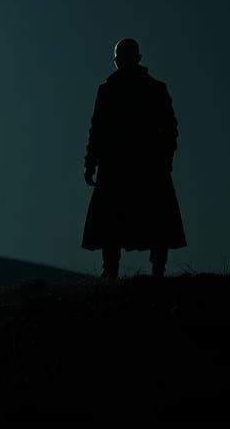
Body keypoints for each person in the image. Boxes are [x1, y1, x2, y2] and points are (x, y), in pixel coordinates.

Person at [82, 38, 186, 279]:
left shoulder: (146, 89)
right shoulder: (116, 89)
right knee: (128, 219)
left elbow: (169, 127)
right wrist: (91, 161)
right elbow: (98, 129)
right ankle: (126, 271)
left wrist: (165, 157)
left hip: (140, 164)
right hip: (133, 164)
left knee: (146, 218)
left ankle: (141, 271)